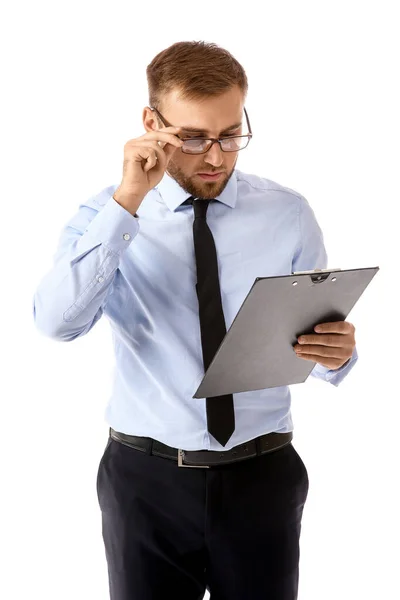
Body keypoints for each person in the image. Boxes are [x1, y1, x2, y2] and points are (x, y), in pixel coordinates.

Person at [33, 40, 358, 600]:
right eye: (192, 137)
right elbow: (57, 323)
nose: (215, 158)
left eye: (231, 135)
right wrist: (129, 198)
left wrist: (337, 352)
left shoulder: (286, 212)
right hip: (146, 479)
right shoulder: (103, 215)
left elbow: (312, 334)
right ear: (150, 124)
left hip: (264, 474)